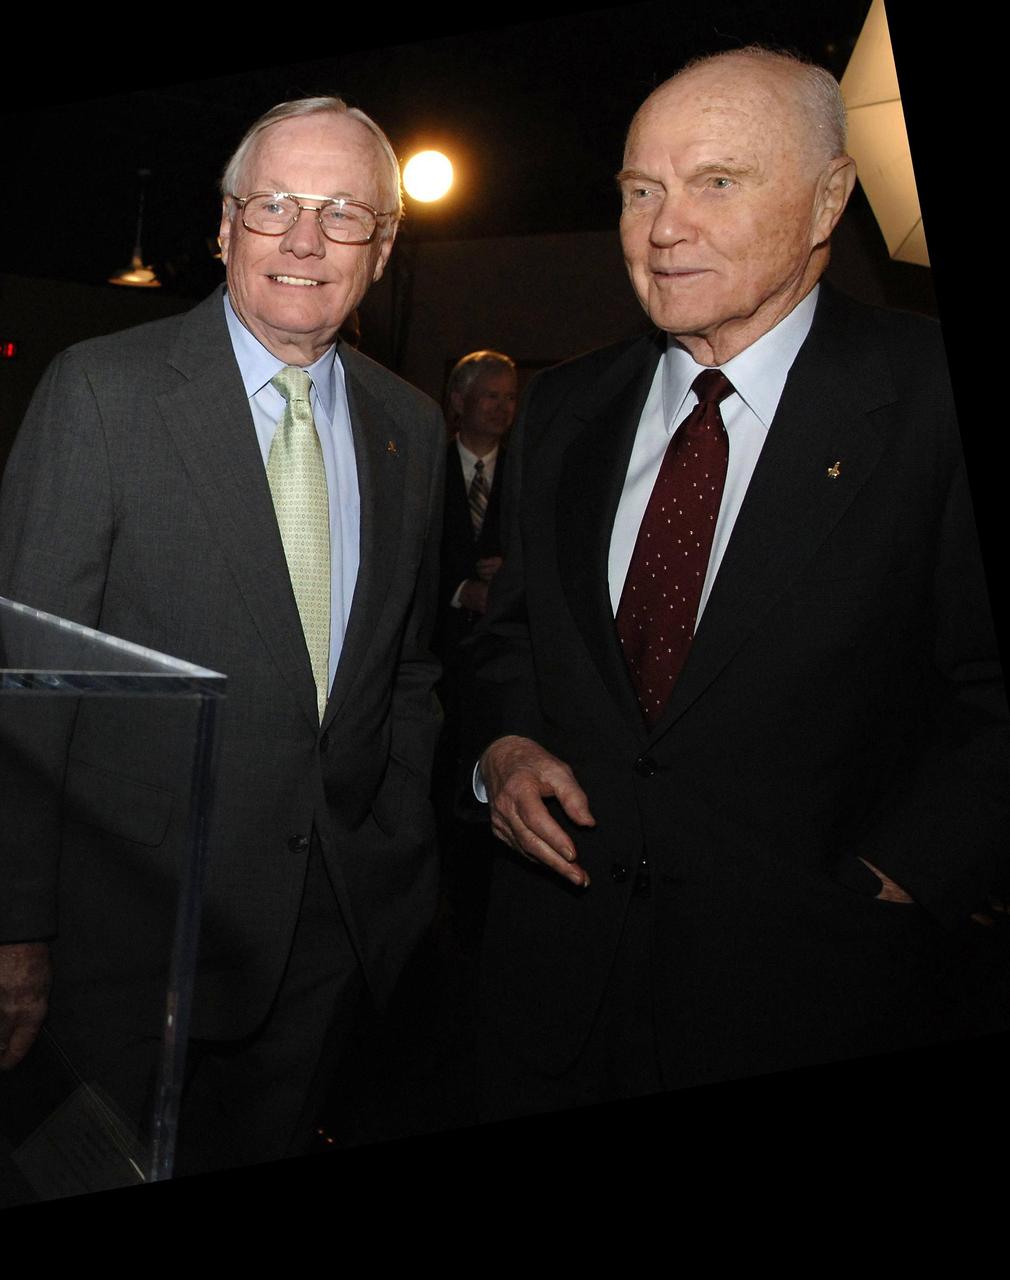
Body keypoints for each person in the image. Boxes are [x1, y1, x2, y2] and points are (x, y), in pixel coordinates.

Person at [470, 48, 1008, 1118]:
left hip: (817, 992)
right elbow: (508, 634)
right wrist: (503, 746)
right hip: (547, 993)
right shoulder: (565, 406)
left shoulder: (926, 402)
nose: (663, 227)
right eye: (639, 189)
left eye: (716, 181)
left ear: (826, 200)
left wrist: (892, 877)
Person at [0, 96, 445, 1172]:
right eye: (274, 204)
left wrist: (389, 845)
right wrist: (14, 924)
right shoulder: (102, 393)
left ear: (381, 247)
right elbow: (26, 680)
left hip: (328, 936)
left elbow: (411, 667)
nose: (303, 238)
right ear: (223, 225)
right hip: (127, 945)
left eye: (343, 212)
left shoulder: (411, 427)